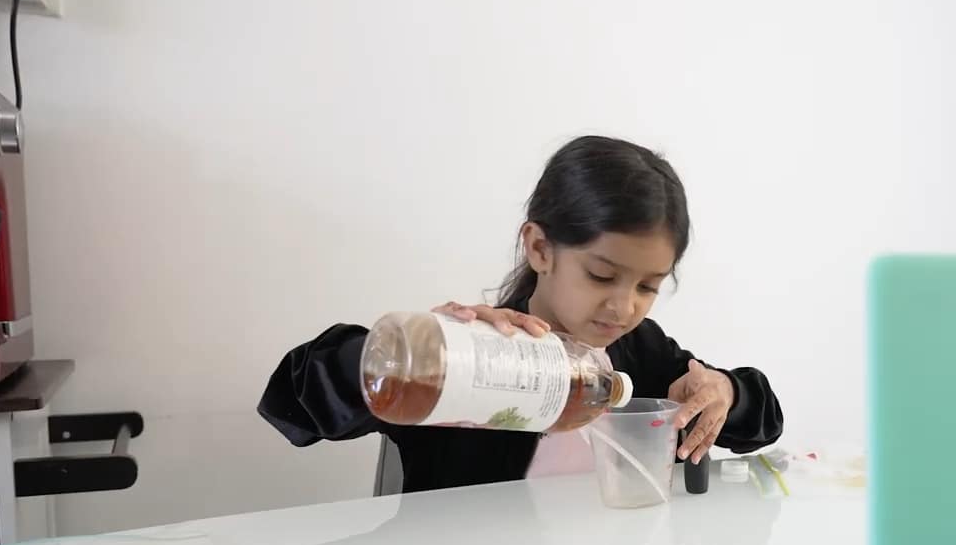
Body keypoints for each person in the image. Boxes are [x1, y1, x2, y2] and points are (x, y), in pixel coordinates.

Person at [258, 135, 783, 492]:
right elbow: (292, 398)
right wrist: (413, 352)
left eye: (648, 285)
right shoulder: (472, 360)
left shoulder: (640, 352)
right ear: (539, 248)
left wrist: (724, 391)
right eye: (601, 275)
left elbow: (762, 419)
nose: (623, 307)